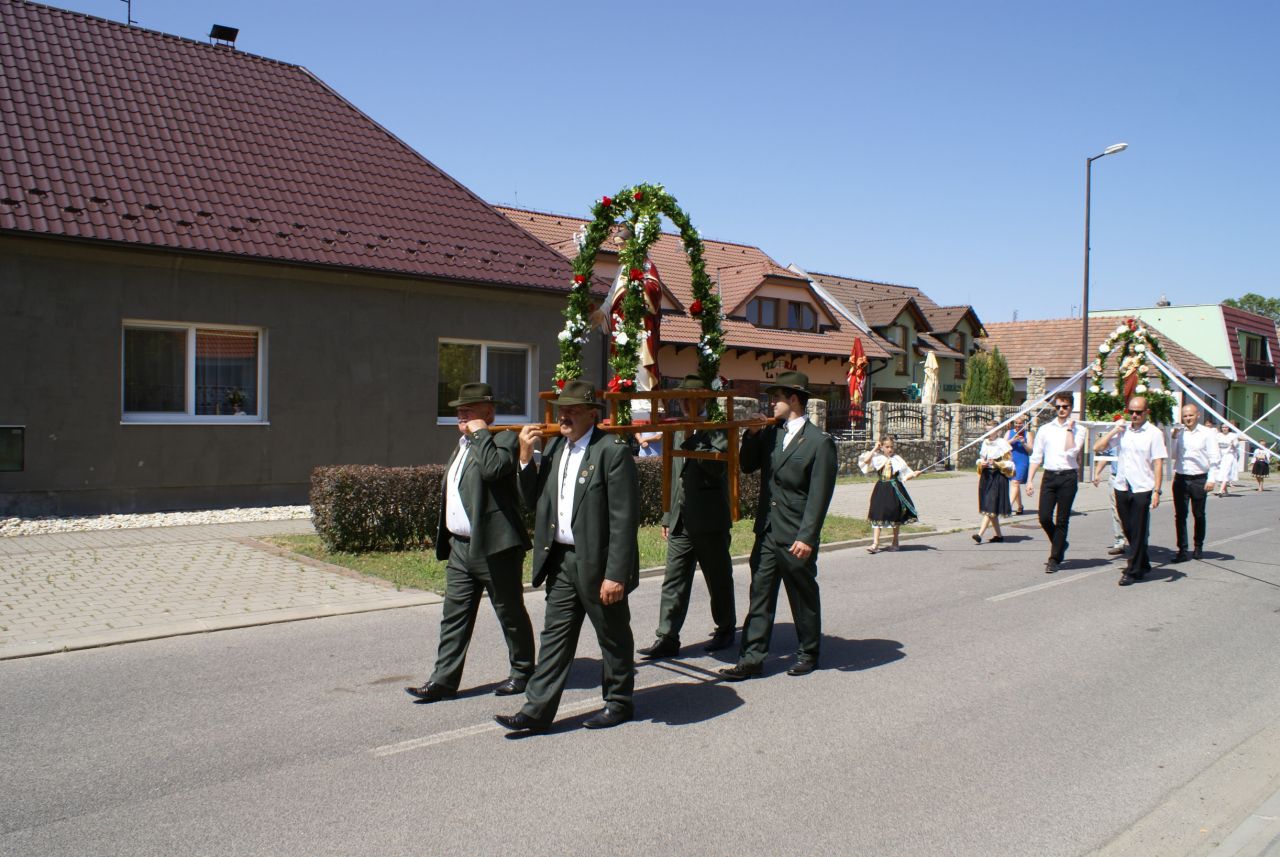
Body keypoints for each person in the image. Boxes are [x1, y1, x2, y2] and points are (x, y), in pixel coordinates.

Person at [493, 379, 639, 733]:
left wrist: (615, 574)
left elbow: (623, 520)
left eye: (573, 410)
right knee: (554, 638)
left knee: (612, 635)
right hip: (560, 561)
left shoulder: (611, 452)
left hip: (599, 563)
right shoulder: (556, 448)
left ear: (592, 414)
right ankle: (536, 711)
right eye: (562, 410)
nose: (565, 416)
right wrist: (525, 458)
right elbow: (534, 501)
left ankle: (619, 702)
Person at [405, 382, 535, 704]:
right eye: (459, 410)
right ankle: (443, 681)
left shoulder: (503, 440)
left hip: (495, 547)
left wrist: (479, 434)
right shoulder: (463, 445)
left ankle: (523, 672)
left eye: (469, 409)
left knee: (509, 612)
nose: (461, 414)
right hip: (460, 548)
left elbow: (493, 470)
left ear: (488, 413)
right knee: (454, 616)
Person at [720, 371, 837, 681]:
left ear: (794, 399)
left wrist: (807, 536)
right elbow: (747, 465)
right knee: (759, 594)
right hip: (768, 531)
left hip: (796, 533)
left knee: (802, 595)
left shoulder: (819, 442)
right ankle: (751, 659)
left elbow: (819, 496)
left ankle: (808, 652)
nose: (771, 403)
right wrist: (752, 435)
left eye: (777, 398)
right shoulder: (771, 434)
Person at [638, 376, 736, 659]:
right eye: (681, 399)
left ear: (703, 400)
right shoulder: (676, 429)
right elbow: (672, 475)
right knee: (673, 580)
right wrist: (667, 515)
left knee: (717, 578)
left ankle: (725, 628)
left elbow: (717, 468)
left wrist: (694, 435)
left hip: (710, 519)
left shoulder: (718, 428)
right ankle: (667, 636)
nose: (684, 404)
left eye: (689, 399)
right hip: (681, 519)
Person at [1093, 396, 1166, 586]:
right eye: (1130, 411)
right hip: (1122, 485)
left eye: (1138, 412)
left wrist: (1157, 491)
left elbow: (1158, 463)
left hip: (1142, 486)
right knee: (1128, 529)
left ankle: (1132, 570)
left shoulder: (1154, 433)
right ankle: (1143, 563)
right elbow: (1097, 448)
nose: (1134, 415)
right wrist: (1114, 430)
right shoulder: (1123, 431)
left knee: (1138, 529)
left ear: (1147, 412)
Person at [1024, 391, 1087, 573]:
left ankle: (1054, 558)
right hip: (1050, 476)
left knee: (1062, 519)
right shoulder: (1045, 429)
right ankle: (1060, 543)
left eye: (1065, 407)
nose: (1061, 410)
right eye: (1058, 407)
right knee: (1044, 517)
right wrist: (1029, 480)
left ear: (1071, 408)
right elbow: (1037, 456)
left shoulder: (1079, 430)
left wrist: (1069, 430)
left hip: (1068, 477)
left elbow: (1071, 452)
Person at [1169, 404, 1220, 562]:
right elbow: (1172, 455)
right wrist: (1174, 437)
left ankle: (1198, 546)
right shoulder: (1179, 433)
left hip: (1199, 478)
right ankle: (1182, 550)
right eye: (1185, 416)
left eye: (1190, 415)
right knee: (1180, 515)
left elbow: (1214, 457)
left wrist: (1211, 479)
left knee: (1198, 514)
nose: (1188, 418)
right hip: (1181, 478)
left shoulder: (1207, 433)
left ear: (1198, 415)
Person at [859, 436, 919, 553]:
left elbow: (906, 474)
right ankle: (875, 544)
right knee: (878, 513)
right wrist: (875, 448)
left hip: (894, 488)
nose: (890, 449)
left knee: (895, 513)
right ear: (882, 447)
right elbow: (865, 461)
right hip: (881, 488)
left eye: (891, 447)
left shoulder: (897, 459)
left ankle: (895, 542)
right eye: (887, 447)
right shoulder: (877, 457)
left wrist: (914, 474)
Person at [1090, 430, 1129, 559]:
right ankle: (1120, 541)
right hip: (1115, 477)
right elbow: (1105, 455)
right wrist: (1097, 473)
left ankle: (1141, 542)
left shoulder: (1136, 436)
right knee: (1116, 511)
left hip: (1133, 479)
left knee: (1136, 511)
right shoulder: (1114, 437)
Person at [974, 421, 1013, 543]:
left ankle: (979, 534)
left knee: (990, 505)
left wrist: (996, 463)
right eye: (987, 430)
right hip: (987, 476)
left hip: (998, 476)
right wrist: (982, 463)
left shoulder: (1002, 443)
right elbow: (981, 458)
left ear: (998, 431)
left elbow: (1009, 463)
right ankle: (999, 536)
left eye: (991, 430)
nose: (989, 433)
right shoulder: (985, 442)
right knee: (990, 506)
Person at [1005, 415, 1034, 514]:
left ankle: (1008, 507)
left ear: (1024, 424)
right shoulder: (1009, 432)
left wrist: (1023, 443)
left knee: (1015, 482)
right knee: (1015, 484)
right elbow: (1002, 445)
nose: (1017, 426)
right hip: (1011, 460)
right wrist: (1012, 440)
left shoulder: (1028, 434)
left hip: (1022, 461)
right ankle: (1020, 506)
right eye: (1016, 424)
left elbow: (1030, 451)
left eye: (1020, 424)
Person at [1211, 423, 1239, 496]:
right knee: (1220, 473)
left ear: (1229, 428)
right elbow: (1215, 445)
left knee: (1226, 472)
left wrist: (1233, 443)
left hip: (1229, 456)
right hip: (1220, 456)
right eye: (1223, 427)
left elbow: (1236, 446)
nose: (1224, 428)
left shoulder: (1233, 435)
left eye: (1226, 427)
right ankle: (1226, 492)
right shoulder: (1218, 435)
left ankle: (1220, 491)